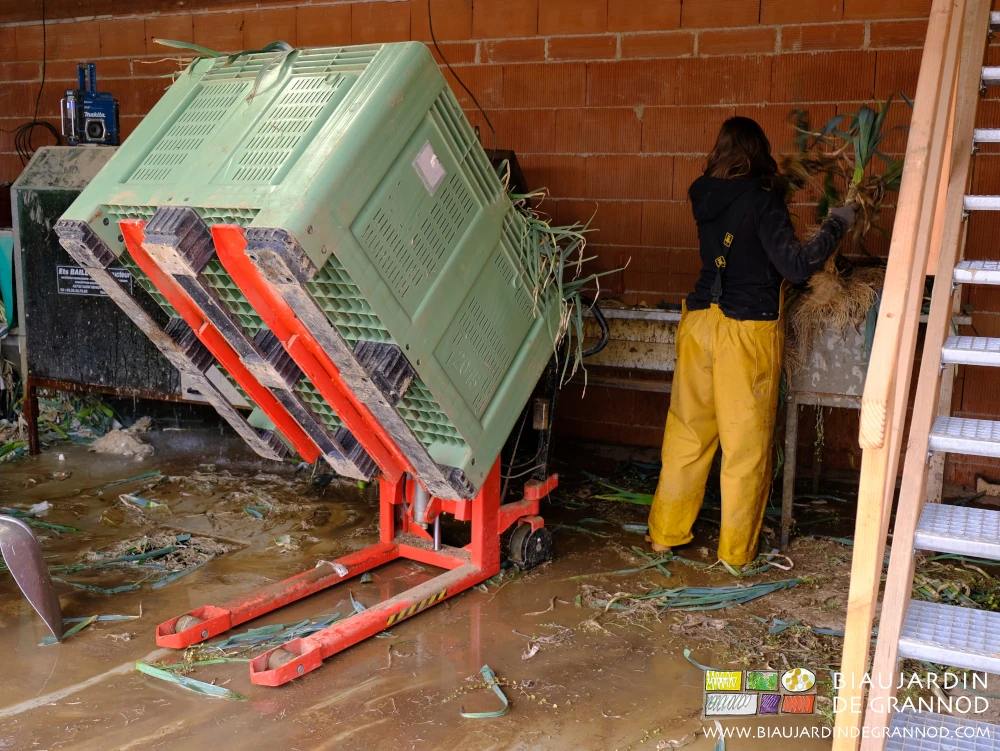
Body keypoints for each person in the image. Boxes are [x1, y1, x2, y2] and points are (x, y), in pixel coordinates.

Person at [647, 116, 856, 567]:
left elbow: (737, 225)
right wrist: (838, 224)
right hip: (746, 333)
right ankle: (736, 555)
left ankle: (665, 535)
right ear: (758, 153)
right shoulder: (763, 204)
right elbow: (796, 267)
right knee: (745, 449)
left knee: (687, 436)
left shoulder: (701, 193)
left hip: (700, 324)